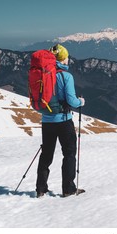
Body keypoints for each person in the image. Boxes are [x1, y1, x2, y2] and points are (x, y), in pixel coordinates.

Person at [36, 44, 85, 198]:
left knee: (46, 154)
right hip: (64, 120)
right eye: (66, 57)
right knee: (69, 153)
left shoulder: (42, 74)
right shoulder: (66, 76)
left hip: (47, 120)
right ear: (63, 58)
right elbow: (71, 100)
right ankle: (68, 189)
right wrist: (81, 102)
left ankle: (40, 189)